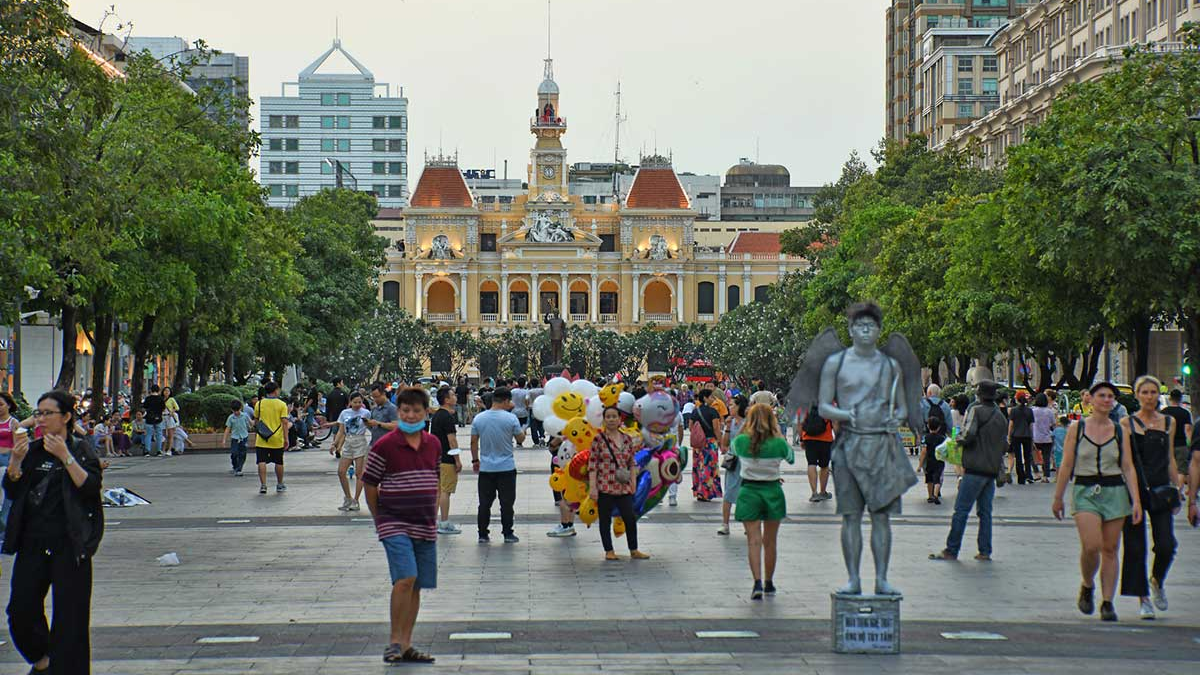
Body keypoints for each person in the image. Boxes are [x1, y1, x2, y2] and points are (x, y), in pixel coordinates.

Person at [4, 390, 104, 674]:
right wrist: (15, 462)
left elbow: (90, 487)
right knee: (20, 610)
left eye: (48, 413)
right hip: (33, 542)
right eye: (38, 413)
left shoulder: (81, 449)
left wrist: (65, 456)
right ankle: (43, 662)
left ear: (67, 416)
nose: (41, 419)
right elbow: (12, 490)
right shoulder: (32, 451)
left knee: (70, 619)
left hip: (70, 544)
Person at [1052, 381, 1143, 622]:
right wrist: (1058, 497)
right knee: (1092, 545)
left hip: (1115, 491)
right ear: (1090, 399)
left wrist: (1136, 500)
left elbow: (1128, 466)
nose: (1106, 400)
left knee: (1110, 548)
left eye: (1110, 396)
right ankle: (1087, 583)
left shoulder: (1120, 430)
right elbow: (1067, 464)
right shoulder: (1077, 428)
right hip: (1085, 490)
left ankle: (1108, 602)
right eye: (1101, 395)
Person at [361, 387, 440, 665]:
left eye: (416, 410)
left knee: (416, 584)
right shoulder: (385, 445)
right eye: (405, 410)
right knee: (405, 578)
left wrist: (434, 511)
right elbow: (369, 482)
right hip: (394, 521)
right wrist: (378, 517)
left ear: (426, 412)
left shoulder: (433, 443)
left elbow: (435, 477)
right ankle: (394, 642)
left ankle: (406, 644)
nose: (410, 415)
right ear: (399, 411)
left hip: (425, 523)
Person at [1119, 375, 1181, 620]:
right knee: (1136, 546)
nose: (1149, 396)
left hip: (1161, 487)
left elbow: (1170, 457)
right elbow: (1127, 462)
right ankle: (1143, 598)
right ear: (1137, 395)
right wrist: (1135, 498)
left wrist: (1177, 488)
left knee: (1166, 544)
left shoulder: (1169, 422)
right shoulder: (1126, 423)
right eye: (1144, 392)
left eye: (1153, 392)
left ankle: (1157, 580)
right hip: (1135, 488)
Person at [931, 380, 1007, 562]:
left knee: (961, 510)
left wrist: (957, 440)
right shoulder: (1001, 417)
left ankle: (951, 549)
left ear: (979, 395)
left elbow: (968, 434)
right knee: (985, 513)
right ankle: (985, 551)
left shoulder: (976, 411)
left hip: (974, 468)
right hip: (991, 471)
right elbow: (1004, 445)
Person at [732, 403, 794, 599]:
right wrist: (778, 434)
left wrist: (744, 427)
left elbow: (732, 448)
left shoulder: (741, 441)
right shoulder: (778, 444)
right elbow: (791, 458)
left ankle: (757, 582)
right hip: (772, 491)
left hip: (748, 492)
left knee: (753, 540)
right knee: (770, 541)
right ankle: (769, 582)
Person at [590, 406, 649, 560]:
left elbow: (631, 462)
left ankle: (634, 549)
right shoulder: (598, 439)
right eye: (608, 417)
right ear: (604, 420)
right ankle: (609, 551)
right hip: (605, 485)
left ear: (619, 419)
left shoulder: (626, 439)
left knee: (629, 517)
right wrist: (593, 487)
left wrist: (633, 481)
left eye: (614, 416)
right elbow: (593, 465)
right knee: (605, 520)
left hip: (623, 486)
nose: (611, 419)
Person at [470, 387, 525, 543]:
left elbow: (473, 442)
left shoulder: (479, 418)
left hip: (486, 468)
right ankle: (508, 533)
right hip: (506, 468)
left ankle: (482, 534)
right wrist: (523, 431)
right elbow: (520, 439)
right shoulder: (511, 418)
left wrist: (475, 460)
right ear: (506, 400)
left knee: (484, 503)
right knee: (506, 503)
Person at [430, 388, 462, 534]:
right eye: (453, 395)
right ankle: (444, 522)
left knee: (438, 490)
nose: (455, 397)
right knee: (445, 491)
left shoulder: (437, 415)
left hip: (436, 458)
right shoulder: (447, 417)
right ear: (446, 400)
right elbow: (452, 441)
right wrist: (457, 460)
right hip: (447, 459)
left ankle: (433, 522)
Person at [334, 393, 371, 511]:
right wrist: (335, 443)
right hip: (348, 442)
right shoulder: (344, 413)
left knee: (359, 473)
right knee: (341, 471)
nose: (357, 404)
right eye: (355, 402)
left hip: (360, 441)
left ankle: (356, 500)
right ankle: (348, 498)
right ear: (350, 402)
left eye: (360, 402)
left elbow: (371, 426)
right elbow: (341, 431)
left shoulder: (366, 413)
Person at [254, 381, 291, 495]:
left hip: (262, 438)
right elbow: (284, 422)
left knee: (261, 461)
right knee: (278, 461)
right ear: (275, 390)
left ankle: (263, 485)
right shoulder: (281, 404)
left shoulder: (259, 404)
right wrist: (286, 438)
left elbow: (256, 420)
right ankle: (279, 484)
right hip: (277, 438)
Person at [719, 396, 748, 535]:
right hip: (733, 462)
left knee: (746, 494)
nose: (729, 408)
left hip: (746, 462)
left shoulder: (748, 423)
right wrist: (727, 428)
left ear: (739, 407)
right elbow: (724, 444)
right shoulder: (729, 423)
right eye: (729, 405)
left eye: (732, 405)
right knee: (729, 493)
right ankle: (725, 524)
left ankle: (748, 524)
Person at [689, 389, 723, 502]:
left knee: (698, 467)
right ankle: (706, 493)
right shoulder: (713, 412)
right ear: (705, 398)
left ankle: (699, 492)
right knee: (709, 467)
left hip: (698, 444)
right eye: (711, 397)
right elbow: (716, 428)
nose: (713, 399)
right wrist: (720, 442)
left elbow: (691, 427)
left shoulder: (695, 411)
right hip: (710, 443)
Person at [800, 403, 835, 503]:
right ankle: (823, 492)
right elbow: (835, 422)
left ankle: (814, 493)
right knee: (824, 466)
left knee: (811, 464)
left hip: (809, 438)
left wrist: (801, 438)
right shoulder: (829, 404)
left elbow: (800, 422)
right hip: (826, 439)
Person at [545, 434, 577, 538]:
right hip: (573, 459)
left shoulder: (565, 426)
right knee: (571, 494)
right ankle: (570, 525)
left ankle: (565, 525)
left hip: (562, 460)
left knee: (563, 495)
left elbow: (561, 437)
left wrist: (552, 444)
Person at [1161, 389, 1192, 491]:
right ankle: (1178, 491)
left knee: (1166, 468)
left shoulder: (1163, 412)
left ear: (1170, 398)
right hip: (1181, 444)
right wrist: (1190, 444)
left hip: (1166, 444)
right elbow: (1187, 429)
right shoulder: (1185, 413)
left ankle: (1168, 490)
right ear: (1180, 399)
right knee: (1181, 470)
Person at [0, 392, 17, 547]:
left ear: (9, 405)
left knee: (5, 498)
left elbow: (18, 446)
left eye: (1, 404)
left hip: (7, 460)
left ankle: (4, 533)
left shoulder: (13, 423)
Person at [1007, 392, 1036, 484]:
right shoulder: (1029, 411)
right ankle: (1029, 474)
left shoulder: (1014, 410)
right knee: (1027, 456)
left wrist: (1009, 436)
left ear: (1017, 399)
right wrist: (1032, 437)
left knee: (1018, 457)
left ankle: (1021, 477)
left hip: (1016, 435)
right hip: (1027, 435)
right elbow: (1031, 425)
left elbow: (1011, 424)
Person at [919, 417, 947, 504]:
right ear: (939, 427)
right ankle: (936, 495)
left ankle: (930, 496)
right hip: (939, 461)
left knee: (929, 480)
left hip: (929, 461)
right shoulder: (942, 438)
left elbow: (924, 452)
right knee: (937, 479)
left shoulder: (925, 438)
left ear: (928, 426)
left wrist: (920, 465)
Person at [1032, 393, 1056, 481]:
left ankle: (1036, 473)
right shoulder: (1049, 411)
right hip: (1047, 437)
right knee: (1046, 457)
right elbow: (1053, 424)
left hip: (1035, 437)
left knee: (1032, 456)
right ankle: (1045, 476)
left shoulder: (1033, 411)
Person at [223, 399, 250, 476]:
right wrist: (224, 440)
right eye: (234, 411)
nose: (236, 412)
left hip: (244, 437)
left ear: (240, 408)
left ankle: (239, 469)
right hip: (235, 438)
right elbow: (227, 429)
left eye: (237, 410)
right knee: (234, 453)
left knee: (242, 454)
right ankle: (235, 466)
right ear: (232, 410)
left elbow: (250, 423)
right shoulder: (231, 418)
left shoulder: (245, 416)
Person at [325, 378, 350, 456]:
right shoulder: (344, 393)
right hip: (343, 416)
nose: (343, 384)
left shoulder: (330, 394)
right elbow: (348, 404)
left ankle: (336, 447)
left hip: (334, 416)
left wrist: (327, 417)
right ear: (338, 383)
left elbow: (327, 407)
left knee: (336, 433)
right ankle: (339, 448)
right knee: (342, 433)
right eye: (342, 382)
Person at [142, 384, 166, 457]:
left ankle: (147, 451)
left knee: (148, 435)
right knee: (159, 434)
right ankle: (159, 450)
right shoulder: (161, 398)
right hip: (158, 418)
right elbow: (163, 408)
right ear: (158, 390)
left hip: (149, 418)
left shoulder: (148, 398)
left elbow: (145, 407)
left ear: (151, 390)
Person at [510, 377, 530, 447]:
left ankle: (512, 440)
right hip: (523, 412)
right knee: (522, 427)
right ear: (524, 384)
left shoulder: (513, 391)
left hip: (514, 411)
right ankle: (519, 442)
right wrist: (527, 407)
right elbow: (527, 400)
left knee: (514, 426)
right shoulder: (526, 392)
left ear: (517, 383)